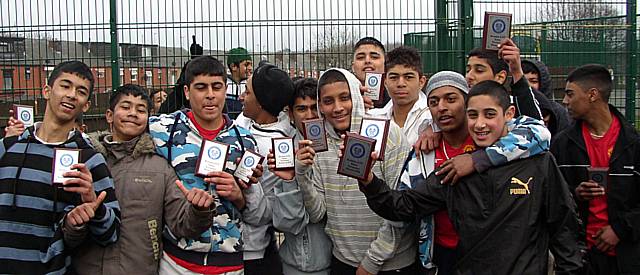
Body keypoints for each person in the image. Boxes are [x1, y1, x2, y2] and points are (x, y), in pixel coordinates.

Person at [360, 80, 583, 275]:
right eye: (473, 115)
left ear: (509, 114)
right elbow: (402, 206)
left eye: (490, 114)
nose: (480, 124)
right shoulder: (457, 168)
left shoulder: (538, 163)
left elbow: (563, 227)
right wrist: (369, 180)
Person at [71, 84, 216, 274]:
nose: (132, 113)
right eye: (125, 107)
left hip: (139, 267)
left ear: (148, 119)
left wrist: (199, 211)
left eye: (141, 110)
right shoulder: (87, 160)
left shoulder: (160, 167)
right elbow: (66, 221)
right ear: (109, 115)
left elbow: (182, 223)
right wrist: (75, 224)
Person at [0, 61, 120, 274]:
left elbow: (110, 233)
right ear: (46, 91)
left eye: (81, 91)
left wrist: (93, 205)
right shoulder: (8, 147)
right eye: (65, 86)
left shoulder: (89, 160)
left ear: (86, 105)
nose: (72, 94)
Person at [296, 68, 418, 274]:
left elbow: (402, 207)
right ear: (320, 106)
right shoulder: (318, 144)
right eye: (328, 101)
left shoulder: (388, 135)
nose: (338, 108)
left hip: (392, 264)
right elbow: (318, 214)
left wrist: (371, 263)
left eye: (345, 98)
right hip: (343, 261)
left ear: (356, 96)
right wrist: (302, 174)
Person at [149, 56, 261, 275]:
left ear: (225, 89)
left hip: (229, 263)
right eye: (201, 87)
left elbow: (255, 212)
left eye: (216, 87)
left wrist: (239, 195)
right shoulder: (162, 131)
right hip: (177, 261)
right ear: (187, 92)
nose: (210, 95)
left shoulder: (244, 140)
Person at [551, 64, 640, 275]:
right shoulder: (562, 144)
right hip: (578, 257)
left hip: (626, 258)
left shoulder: (633, 144)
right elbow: (551, 196)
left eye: (570, 94)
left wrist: (620, 230)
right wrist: (575, 193)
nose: (565, 101)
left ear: (592, 95)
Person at [267, 78, 333, 275]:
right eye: (302, 109)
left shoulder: (337, 147)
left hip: (337, 258)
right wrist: (289, 180)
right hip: (295, 261)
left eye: (315, 107)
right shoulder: (283, 152)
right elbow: (285, 222)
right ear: (291, 114)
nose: (310, 115)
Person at [235, 63, 295, 274]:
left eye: (247, 92)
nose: (241, 97)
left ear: (261, 103)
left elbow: (260, 214)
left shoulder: (274, 147)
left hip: (250, 250)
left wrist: (246, 189)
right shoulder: (248, 121)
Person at [369, 46, 430, 145]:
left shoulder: (431, 118)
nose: (401, 83)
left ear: (421, 82)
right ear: (385, 82)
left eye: (408, 77)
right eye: (394, 77)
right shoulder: (373, 118)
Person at [522, 59, 571, 135]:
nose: (528, 86)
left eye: (533, 81)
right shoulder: (513, 108)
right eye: (523, 81)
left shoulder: (557, 112)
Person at [351, 37, 390, 109]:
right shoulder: (344, 100)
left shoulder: (395, 98)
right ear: (353, 67)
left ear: (385, 64)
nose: (367, 61)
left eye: (374, 57)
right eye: (360, 57)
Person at [226, 47, 253, 119]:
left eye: (251, 64)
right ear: (233, 66)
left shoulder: (251, 85)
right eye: (246, 65)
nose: (250, 68)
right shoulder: (224, 85)